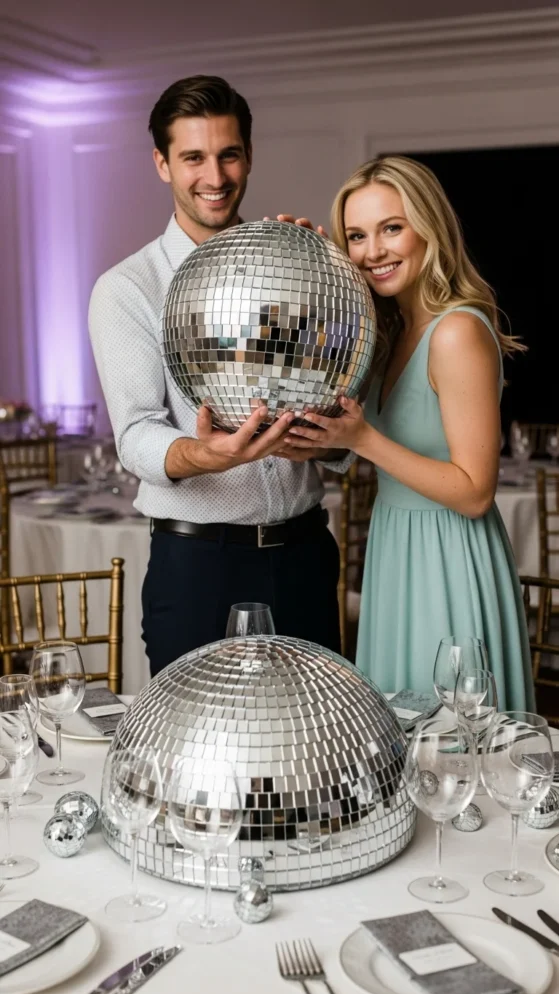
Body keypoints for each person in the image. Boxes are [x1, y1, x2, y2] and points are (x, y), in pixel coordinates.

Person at [89, 76, 349, 678]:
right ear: (162, 164)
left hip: (306, 555)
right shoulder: (128, 288)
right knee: (198, 741)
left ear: (249, 156)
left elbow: (341, 400)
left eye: (228, 154)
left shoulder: (295, 266)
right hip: (200, 564)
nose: (215, 176)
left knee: (313, 734)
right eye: (193, 158)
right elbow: (136, 434)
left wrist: (326, 281)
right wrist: (208, 455)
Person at [284, 155, 535, 711]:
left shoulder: (456, 331)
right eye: (356, 236)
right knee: (399, 732)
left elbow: (475, 491)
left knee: (451, 739)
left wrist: (363, 439)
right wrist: (304, 265)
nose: (373, 251)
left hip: (449, 558)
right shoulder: (390, 332)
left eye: (391, 228)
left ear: (429, 228)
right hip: (396, 547)